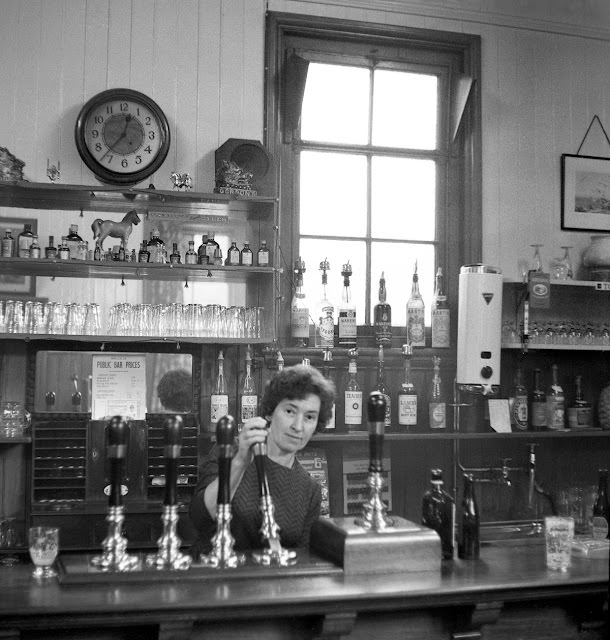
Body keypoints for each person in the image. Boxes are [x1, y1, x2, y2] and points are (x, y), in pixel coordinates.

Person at [189, 363, 335, 557]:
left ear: (317, 424)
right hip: (214, 575)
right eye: (290, 411)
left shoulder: (310, 489)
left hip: (270, 583)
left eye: (309, 417)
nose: (298, 426)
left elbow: (302, 558)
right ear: (269, 412)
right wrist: (241, 461)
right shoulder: (229, 451)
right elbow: (199, 516)